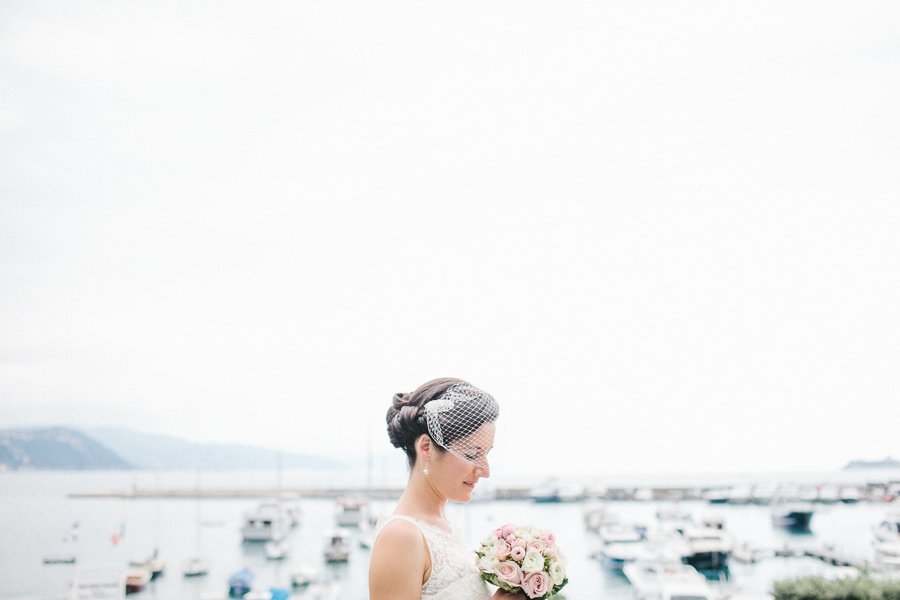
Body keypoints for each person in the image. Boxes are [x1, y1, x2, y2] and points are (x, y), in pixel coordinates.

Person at [369, 378, 524, 600]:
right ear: (426, 448)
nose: (485, 471)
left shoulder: (445, 529)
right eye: (471, 454)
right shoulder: (401, 536)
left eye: (486, 453)